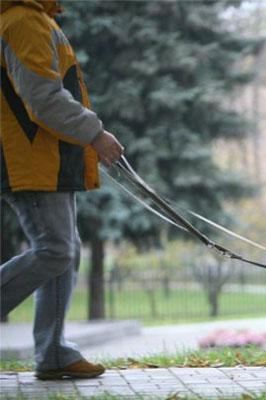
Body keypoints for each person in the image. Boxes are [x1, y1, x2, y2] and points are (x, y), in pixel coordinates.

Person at [1, 0, 124, 380]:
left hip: (46, 157)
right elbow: (43, 99)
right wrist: (95, 133)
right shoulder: (23, 21)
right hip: (31, 156)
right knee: (55, 250)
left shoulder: (37, 19)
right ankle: (53, 351)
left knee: (63, 253)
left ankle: (53, 353)